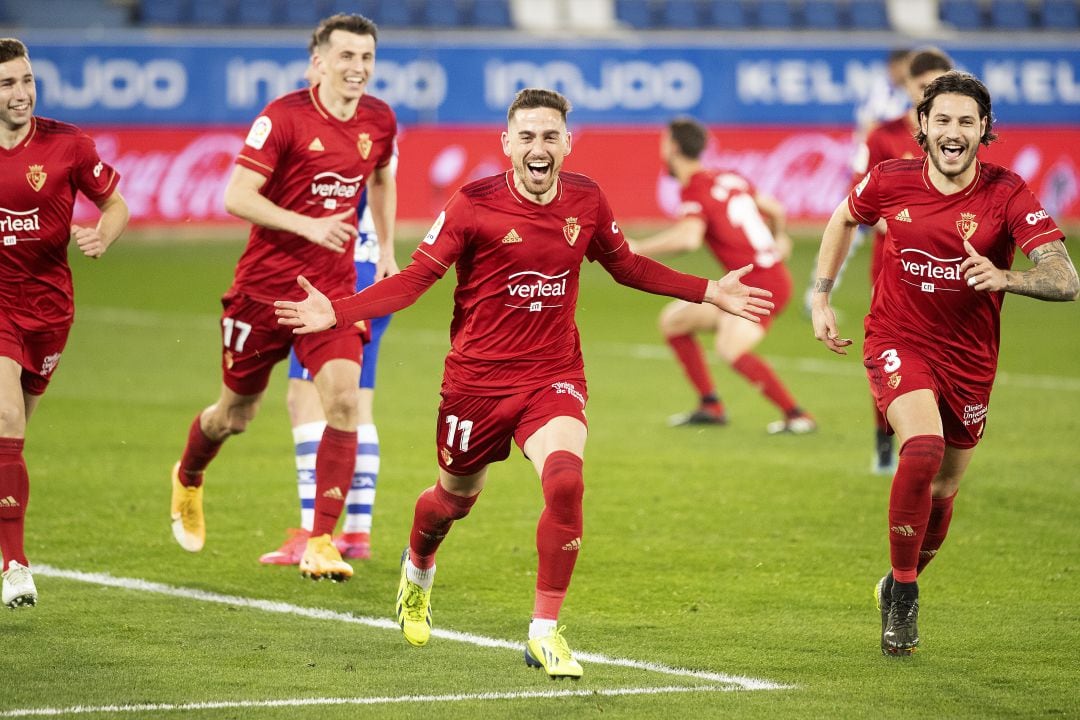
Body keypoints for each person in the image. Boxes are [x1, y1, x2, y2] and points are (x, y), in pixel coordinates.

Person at [274, 88, 774, 678]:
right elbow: (413, 280)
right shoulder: (471, 205)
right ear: (508, 145)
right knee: (451, 502)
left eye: (550, 136)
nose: (540, 147)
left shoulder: (586, 199)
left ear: (567, 142)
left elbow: (628, 266)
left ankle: (545, 631)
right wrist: (340, 311)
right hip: (476, 384)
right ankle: (418, 567)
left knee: (566, 481)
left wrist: (709, 290)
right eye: (528, 137)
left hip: (553, 373)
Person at [811, 71, 1078, 657]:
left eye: (966, 121)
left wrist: (1007, 276)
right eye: (943, 120)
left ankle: (898, 580)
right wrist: (821, 295)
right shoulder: (889, 179)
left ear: (985, 130)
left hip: (970, 359)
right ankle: (904, 597)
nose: (953, 131)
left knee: (945, 487)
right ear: (923, 128)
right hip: (896, 338)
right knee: (923, 448)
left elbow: (1066, 278)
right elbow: (842, 218)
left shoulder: (1008, 193)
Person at [168, 13, 397, 583]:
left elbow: (383, 176)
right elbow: (236, 196)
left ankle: (322, 539)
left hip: (330, 293)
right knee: (236, 414)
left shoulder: (379, 119)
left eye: (366, 57)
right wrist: (307, 225)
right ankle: (189, 475)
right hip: (262, 292)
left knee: (343, 401)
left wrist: (388, 247)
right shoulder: (283, 118)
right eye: (346, 56)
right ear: (317, 62)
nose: (357, 68)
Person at [259, 37, 399, 567]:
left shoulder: (348, 125)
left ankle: (313, 529)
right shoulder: (376, 124)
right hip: (369, 266)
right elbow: (386, 181)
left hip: (340, 275)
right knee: (356, 400)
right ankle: (355, 532)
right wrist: (387, 250)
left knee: (307, 399)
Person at [0, 38, 129, 608]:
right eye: (7, 84)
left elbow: (116, 203)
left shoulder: (69, 145)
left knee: (13, 437)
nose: (21, 93)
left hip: (50, 309)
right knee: (5, 418)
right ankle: (15, 566)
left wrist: (105, 233)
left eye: (26, 81)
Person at [630, 117, 814, 434]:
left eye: (664, 143)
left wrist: (638, 249)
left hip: (760, 286)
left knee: (731, 350)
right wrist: (779, 239)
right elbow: (776, 209)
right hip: (758, 280)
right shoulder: (728, 177)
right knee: (674, 322)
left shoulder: (695, 190)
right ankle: (710, 405)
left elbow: (688, 239)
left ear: (673, 147)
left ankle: (797, 415)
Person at [852, 48, 954, 474]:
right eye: (923, 86)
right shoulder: (883, 137)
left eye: (941, 84)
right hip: (894, 265)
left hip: (948, 266)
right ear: (907, 88)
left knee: (949, 351)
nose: (932, 93)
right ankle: (883, 438)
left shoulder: (959, 139)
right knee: (890, 352)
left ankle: (940, 438)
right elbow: (860, 203)